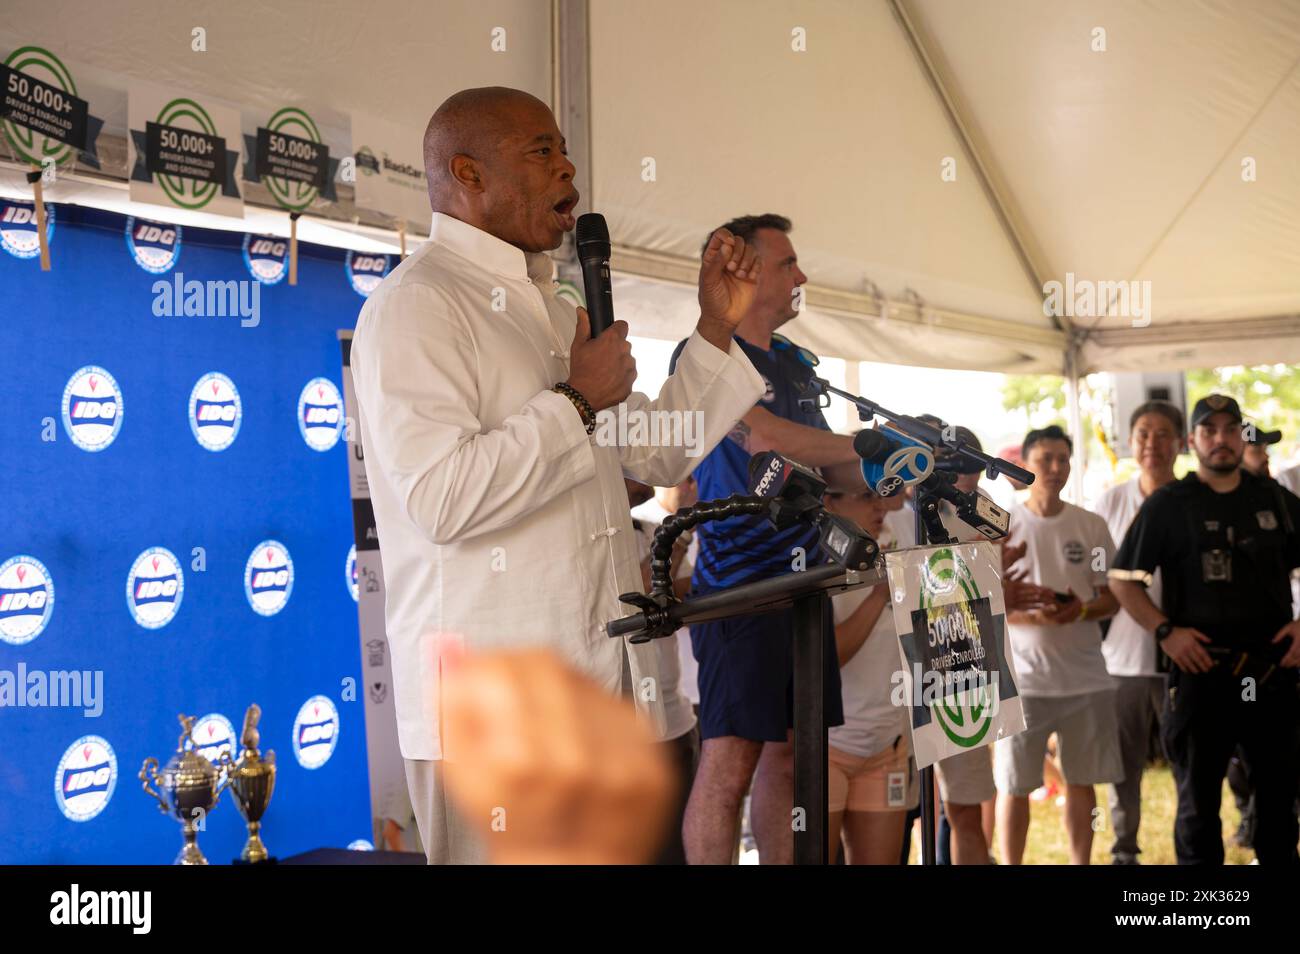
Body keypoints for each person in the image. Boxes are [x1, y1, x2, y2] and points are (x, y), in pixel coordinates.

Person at [350, 87, 767, 863]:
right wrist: (575, 400)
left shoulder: (544, 303)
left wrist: (714, 327)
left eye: (562, 148)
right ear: (467, 173)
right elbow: (440, 499)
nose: (567, 167)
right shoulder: (418, 305)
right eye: (541, 151)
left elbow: (652, 452)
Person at [673, 214, 869, 865]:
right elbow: (767, 439)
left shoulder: (792, 363)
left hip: (805, 588)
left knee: (790, 759)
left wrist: (902, 462)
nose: (802, 276)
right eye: (788, 263)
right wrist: (866, 447)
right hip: (739, 595)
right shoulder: (708, 352)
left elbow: (834, 465)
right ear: (744, 272)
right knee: (729, 765)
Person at [1110, 394, 1300, 865]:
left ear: (1242, 436)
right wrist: (1164, 632)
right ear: (1192, 441)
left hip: (1271, 672)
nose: (1221, 439)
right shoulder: (1170, 504)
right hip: (1199, 673)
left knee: (1278, 802)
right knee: (1197, 807)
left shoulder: (1273, 498)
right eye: (1208, 431)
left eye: (1230, 429)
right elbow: (1122, 580)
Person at [995, 425, 1123, 865]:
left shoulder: (1090, 525)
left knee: (1083, 781)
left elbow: (1111, 596)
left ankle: (1081, 862)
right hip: (1023, 679)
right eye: (1045, 458)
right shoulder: (1003, 524)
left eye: (1063, 459)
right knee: (1015, 785)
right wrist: (1029, 614)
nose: (1054, 467)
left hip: (1085, 677)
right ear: (1026, 465)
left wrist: (1080, 611)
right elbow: (981, 600)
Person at [1093, 400, 1183, 864]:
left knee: (1188, 762)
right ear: (1132, 442)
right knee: (1122, 764)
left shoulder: (1192, 497)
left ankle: (1192, 847)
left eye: (1163, 433)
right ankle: (1124, 849)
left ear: (1181, 442)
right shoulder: (1110, 501)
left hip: (1184, 657)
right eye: (1144, 433)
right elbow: (1094, 577)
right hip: (1123, 658)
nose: (1152, 443)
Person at [822, 484, 918, 863]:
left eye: (879, 494)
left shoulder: (896, 536)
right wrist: (881, 592)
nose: (880, 505)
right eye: (863, 495)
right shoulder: (815, 559)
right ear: (830, 501)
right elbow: (830, 656)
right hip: (826, 747)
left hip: (887, 745)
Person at [625, 478, 699, 865]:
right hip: (618, 730)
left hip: (673, 719)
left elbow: (676, 595)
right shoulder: (584, 541)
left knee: (675, 852)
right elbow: (638, 597)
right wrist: (684, 530)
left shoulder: (654, 531)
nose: (648, 475)